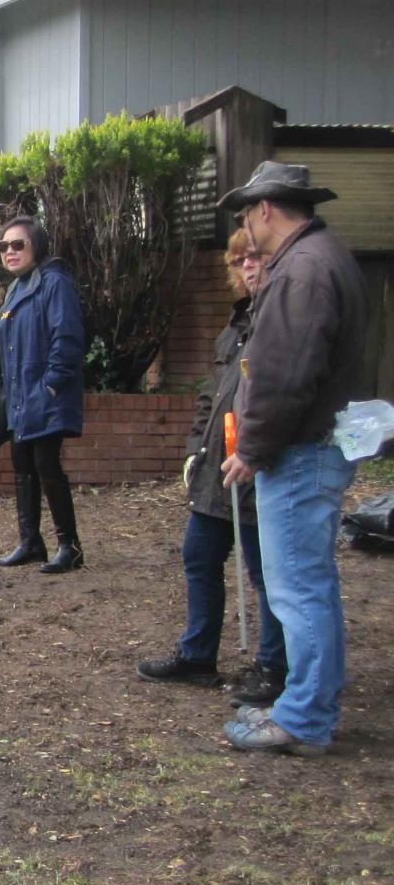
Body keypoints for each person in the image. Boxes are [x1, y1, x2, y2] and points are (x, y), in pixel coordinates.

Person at [217, 162, 369, 757]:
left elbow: (284, 372)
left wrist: (253, 448)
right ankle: (312, 702)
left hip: (302, 451)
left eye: (245, 214)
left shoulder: (301, 272)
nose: (246, 230)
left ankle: (304, 716)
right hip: (322, 444)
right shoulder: (328, 258)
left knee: (298, 587)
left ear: (264, 210)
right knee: (312, 582)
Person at [137, 232, 287, 703]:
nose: (247, 266)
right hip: (217, 465)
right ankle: (198, 654)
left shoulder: (280, 320)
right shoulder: (237, 323)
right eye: (239, 259)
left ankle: (274, 666)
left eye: (256, 256)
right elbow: (212, 394)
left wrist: (257, 449)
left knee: (267, 572)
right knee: (199, 555)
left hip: (261, 464)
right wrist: (193, 448)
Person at [0, 218, 86, 574]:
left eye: (18, 245)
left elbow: (67, 338)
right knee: (23, 467)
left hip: (42, 396)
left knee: (47, 467)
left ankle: (68, 546)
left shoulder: (54, 284)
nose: (9, 252)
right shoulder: (16, 289)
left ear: (37, 247)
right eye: (3, 246)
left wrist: (51, 385)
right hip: (19, 398)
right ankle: (30, 542)